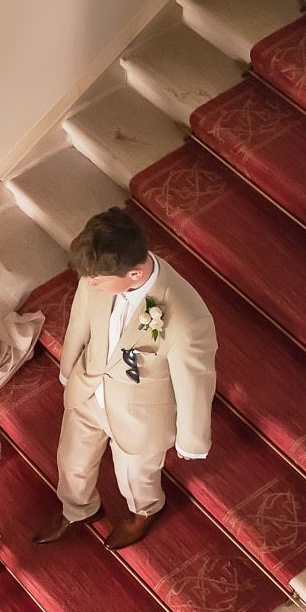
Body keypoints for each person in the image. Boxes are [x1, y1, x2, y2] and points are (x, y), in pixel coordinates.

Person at [33, 207, 217, 551]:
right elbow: (80, 320)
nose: (90, 284)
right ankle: (78, 510)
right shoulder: (98, 272)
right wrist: (68, 369)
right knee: (71, 461)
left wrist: (192, 439)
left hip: (140, 412)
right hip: (90, 390)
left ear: (134, 274)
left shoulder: (188, 319)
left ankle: (143, 512)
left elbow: (196, 384)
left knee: (136, 478)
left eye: (97, 281)